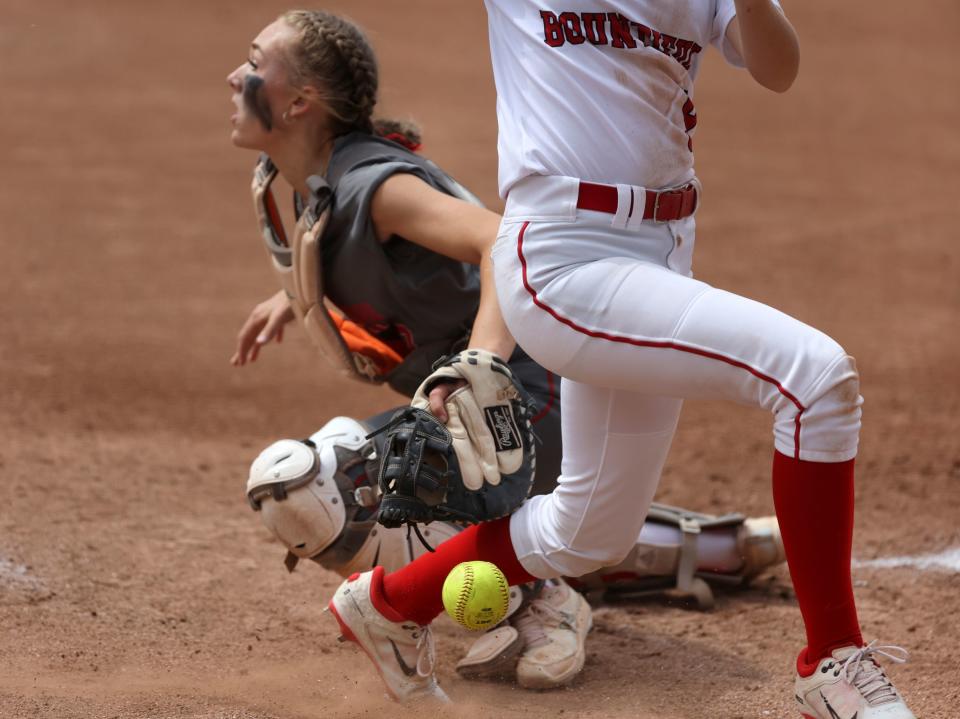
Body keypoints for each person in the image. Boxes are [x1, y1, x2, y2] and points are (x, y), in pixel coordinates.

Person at [323, 3, 919, 717]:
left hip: (657, 256)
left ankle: (387, 604)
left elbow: (779, 69)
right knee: (815, 381)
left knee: (589, 529)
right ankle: (832, 666)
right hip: (561, 261)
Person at [226, 10, 788, 695]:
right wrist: (299, 296)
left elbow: (502, 244)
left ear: (297, 102)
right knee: (531, 513)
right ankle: (669, 551)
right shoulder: (318, 185)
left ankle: (542, 597)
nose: (237, 75)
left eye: (255, 62)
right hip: (493, 413)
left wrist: (481, 365)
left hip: (525, 393)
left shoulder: (374, 188)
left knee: (301, 487)